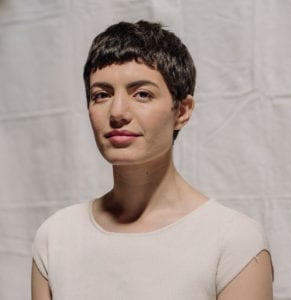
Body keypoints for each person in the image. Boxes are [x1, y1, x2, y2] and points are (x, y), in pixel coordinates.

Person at [31, 20, 274, 300]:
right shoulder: (56, 236)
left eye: (142, 94)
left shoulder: (233, 242)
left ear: (182, 111)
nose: (118, 112)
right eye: (101, 95)